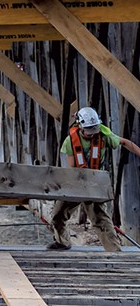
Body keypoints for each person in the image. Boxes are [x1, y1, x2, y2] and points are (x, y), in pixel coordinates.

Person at [47, 107, 140, 252]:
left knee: (100, 219)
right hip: (76, 182)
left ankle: (114, 251)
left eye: (93, 130)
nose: (91, 134)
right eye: (88, 130)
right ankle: (63, 242)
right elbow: (72, 167)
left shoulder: (103, 136)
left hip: (95, 183)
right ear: (81, 127)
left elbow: (125, 142)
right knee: (58, 215)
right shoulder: (70, 141)